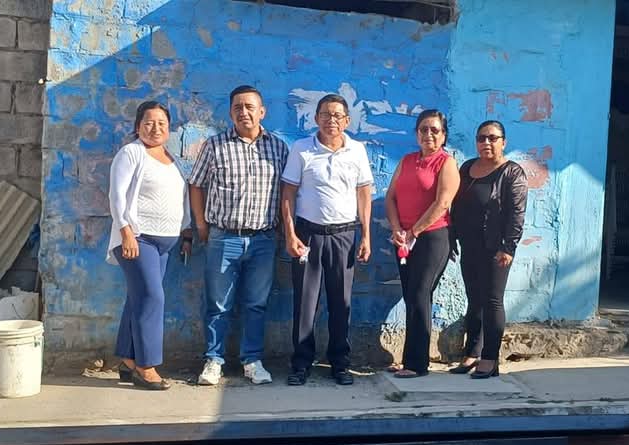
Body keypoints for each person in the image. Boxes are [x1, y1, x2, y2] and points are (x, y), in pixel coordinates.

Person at [187, 85, 289, 386]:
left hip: (264, 239)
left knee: (256, 303)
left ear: (262, 112)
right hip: (223, 238)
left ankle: (252, 360)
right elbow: (196, 184)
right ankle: (214, 360)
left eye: (249, 107)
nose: (243, 112)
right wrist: (201, 224)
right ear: (231, 113)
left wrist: (285, 229)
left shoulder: (278, 148)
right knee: (218, 304)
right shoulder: (215, 145)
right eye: (237, 107)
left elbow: (287, 191)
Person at [280, 94, 373, 386]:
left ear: (347, 120)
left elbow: (363, 194)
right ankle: (301, 364)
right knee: (305, 303)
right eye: (325, 114)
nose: (331, 120)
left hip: (344, 235)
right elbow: (288, 193)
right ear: (316, 118)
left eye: (337, 115)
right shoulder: (301, 149)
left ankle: (340, 364)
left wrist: (366, 235)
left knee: (340, 302)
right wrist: (290, 233)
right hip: (307, 236)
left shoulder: (357, 150)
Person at [106, 101, 191, 391]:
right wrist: (126, 232)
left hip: (164, 242)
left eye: (161, 123)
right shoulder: (132, 153)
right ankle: (146, 366)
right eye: (149, 123)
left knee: (138, 298)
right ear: (138, 126)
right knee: (153, 297)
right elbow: (117, 195)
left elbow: (179, 200)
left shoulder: (171, 159)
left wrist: (186, 233)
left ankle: (128, 358)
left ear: (169, 128)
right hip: (138, 238)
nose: (155, 128)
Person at [448, 120, 528, 379]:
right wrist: (453, 236)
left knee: (492, 300)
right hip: (469, 245)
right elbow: (456, 204)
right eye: (481, 138)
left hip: (496, 249)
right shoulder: (467, 168)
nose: (486, 143)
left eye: (493, 138)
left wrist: (508, 247)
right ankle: (472, 352)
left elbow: (517, 214)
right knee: (474, 301)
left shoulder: (512, 173)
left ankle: (490, 359)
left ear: (503, 142)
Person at [383, 109, 459, 378]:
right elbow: (390, 197)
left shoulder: (446, 163)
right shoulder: (407, 161)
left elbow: (443, 203)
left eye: (435, 130)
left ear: (443, 135)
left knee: (419, 294)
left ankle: (417, 365)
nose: (429, 134)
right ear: (416, 134)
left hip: (433, 238)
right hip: (404, 238)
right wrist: (397, 229)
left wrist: (414, 231)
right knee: (411, 297)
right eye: (423, 129)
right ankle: (408, 360)